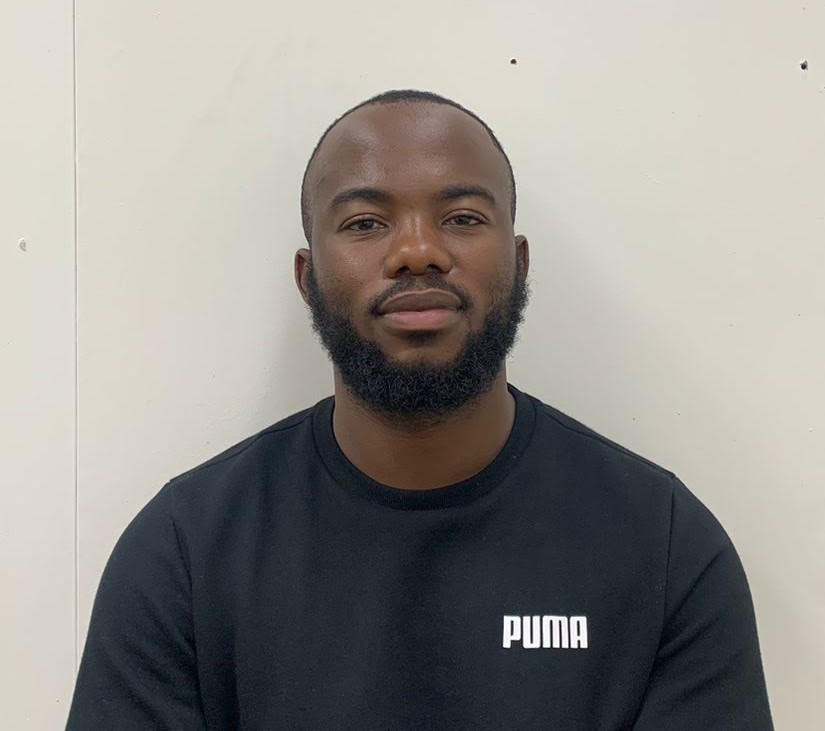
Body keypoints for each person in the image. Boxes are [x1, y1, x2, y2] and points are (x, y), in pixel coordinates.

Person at [66, 89, 773, 730]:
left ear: (520, 263)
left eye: (461, 217)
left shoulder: (661, 545)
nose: (417, 251)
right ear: (309, 280)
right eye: (366, 222)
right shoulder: (185, 552)